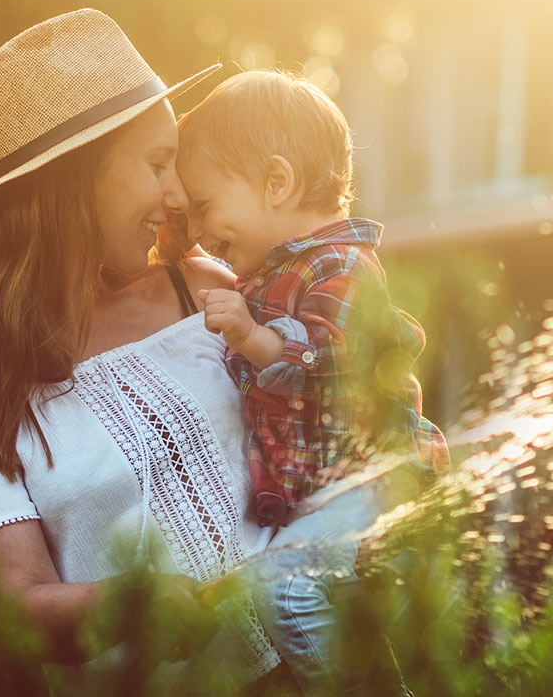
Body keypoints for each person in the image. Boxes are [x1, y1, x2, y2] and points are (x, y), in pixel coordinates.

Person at [0, 9, 284, 691]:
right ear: (74, 181)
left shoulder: (204, 292)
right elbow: (13, 604)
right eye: (156, 165)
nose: (176, 195)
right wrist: (131, 602)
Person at [175, 69, 448, 694]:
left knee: (290, 594)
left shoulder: (341, 264)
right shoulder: (270, 272)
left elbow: (334, 361)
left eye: (206, 206)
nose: (198, 230)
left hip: (376, 481)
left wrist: (254, 337)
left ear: (277, 182)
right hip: (333, 489)